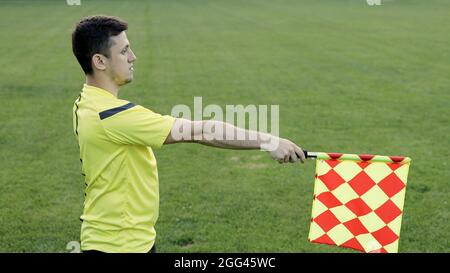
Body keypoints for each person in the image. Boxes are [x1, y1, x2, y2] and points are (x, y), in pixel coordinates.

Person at [71, 15, 306, 253]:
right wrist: (269, 141)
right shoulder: (111, 116)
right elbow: (201, 131)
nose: (133, 57)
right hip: (118, 245)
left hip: (116, 237)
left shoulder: (86, 102)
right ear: (100, 61)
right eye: (124, 51)